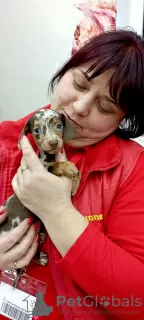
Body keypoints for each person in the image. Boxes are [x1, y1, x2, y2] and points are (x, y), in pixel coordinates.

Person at [0, 29, 144, 320]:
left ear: (123, 118)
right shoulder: (5, 142)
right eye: (78, 83)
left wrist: (57, 210)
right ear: (64, 71)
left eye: (105, 106)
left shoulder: (132, 168)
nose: (79, 108)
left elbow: (136, 301)